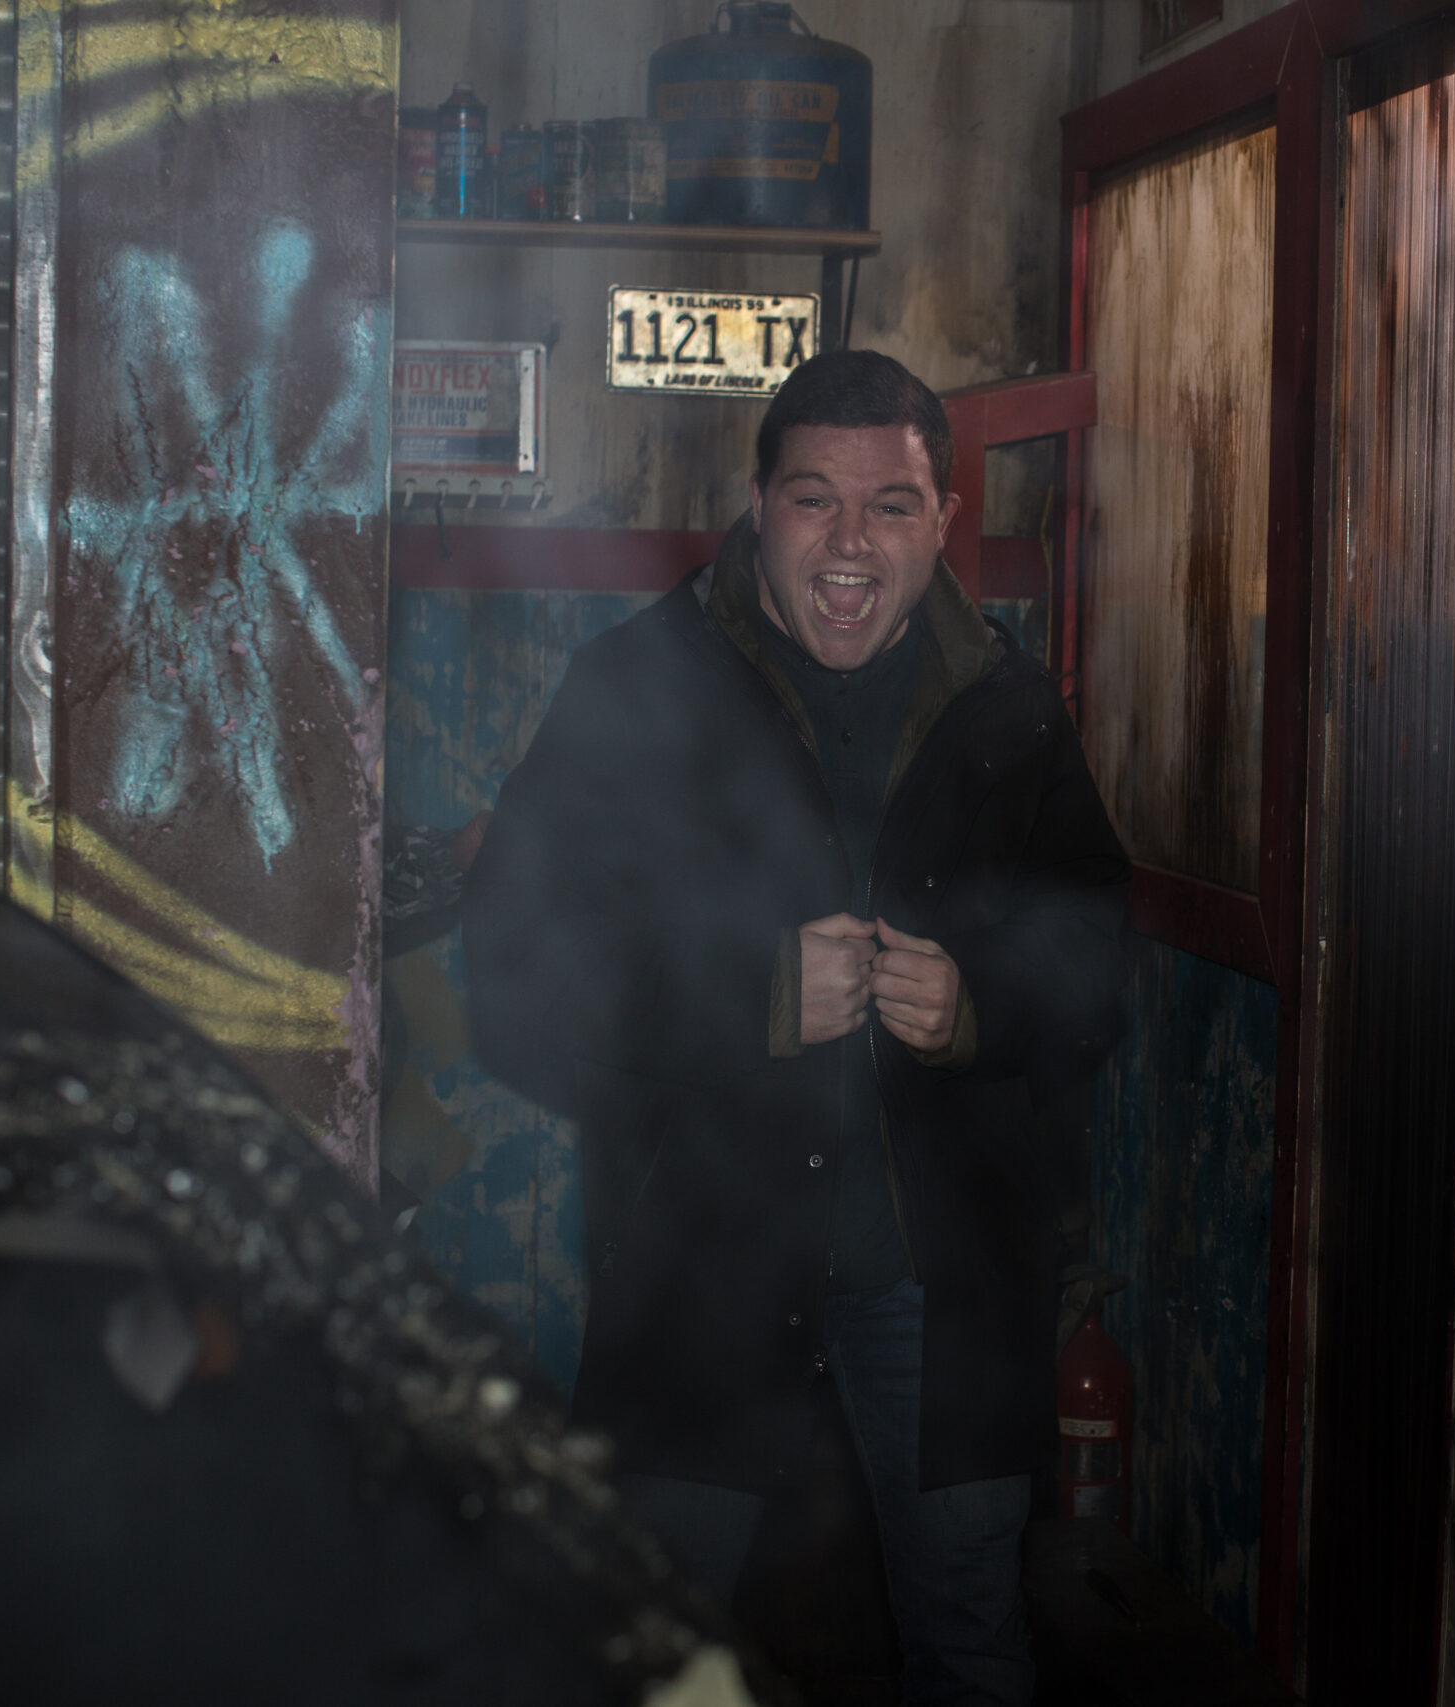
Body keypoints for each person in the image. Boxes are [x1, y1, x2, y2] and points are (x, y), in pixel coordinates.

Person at [462, 350, 1130, 1706]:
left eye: (890, 506)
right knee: (646, 1649)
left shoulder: (1009, 709)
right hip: (699, 1278)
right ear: (756, 504)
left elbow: (1105, 970)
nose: (850, 540)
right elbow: (515, 977)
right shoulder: (636, 689)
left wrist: (977, 1009)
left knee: (971, 1644)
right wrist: (748, 1000)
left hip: (940, 1293)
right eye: (814, 499)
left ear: (941, 521)